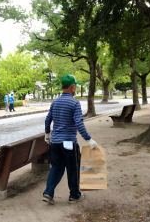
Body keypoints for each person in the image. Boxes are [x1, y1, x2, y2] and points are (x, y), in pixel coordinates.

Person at [42, 74, 98, 205]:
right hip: (68, 143)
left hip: (55, 142)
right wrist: (88, 139)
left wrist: (47, 134)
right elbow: (79, 123)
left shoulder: (55, 102)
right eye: (76, 86)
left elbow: (47, 119)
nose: (76, 88)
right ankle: (74, 195)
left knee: (56, 168)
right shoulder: (74, 103)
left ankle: (48, 193)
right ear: (72, 87)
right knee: (73, 169)